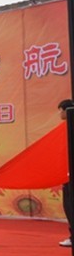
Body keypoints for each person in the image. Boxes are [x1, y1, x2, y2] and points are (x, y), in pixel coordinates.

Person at [57, 99, 73, 247]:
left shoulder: (66, 129)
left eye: (60, 111)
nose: (59, 114)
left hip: (68, 174)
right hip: (66, 172)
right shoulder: (65, 129)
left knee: (69, 205)